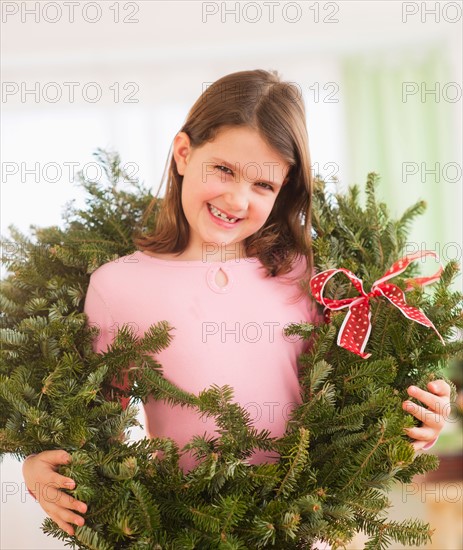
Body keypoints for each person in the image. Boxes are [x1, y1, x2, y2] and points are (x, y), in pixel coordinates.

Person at [22, 69, 451, 541]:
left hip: (299, 533)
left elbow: (356, 393)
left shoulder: (313, 276)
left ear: (283, 189)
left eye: (262, 186)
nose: (236, 198)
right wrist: (37, 469)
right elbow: (96, 426)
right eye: (223, 170)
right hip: (182, 533)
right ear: (184, 153)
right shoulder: (118, 285)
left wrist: (415, 423)